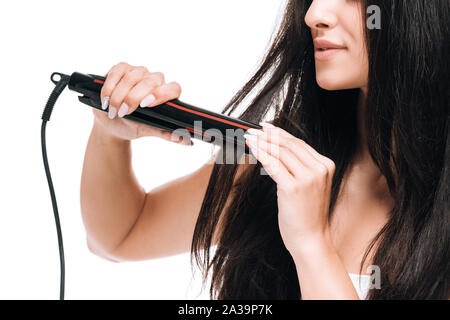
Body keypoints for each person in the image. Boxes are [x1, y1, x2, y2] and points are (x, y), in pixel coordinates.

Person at [80, 0, 449, 299]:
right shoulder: (277, 171)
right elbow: (120, 237)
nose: (314, 14)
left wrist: (310, 243)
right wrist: (109, 135)